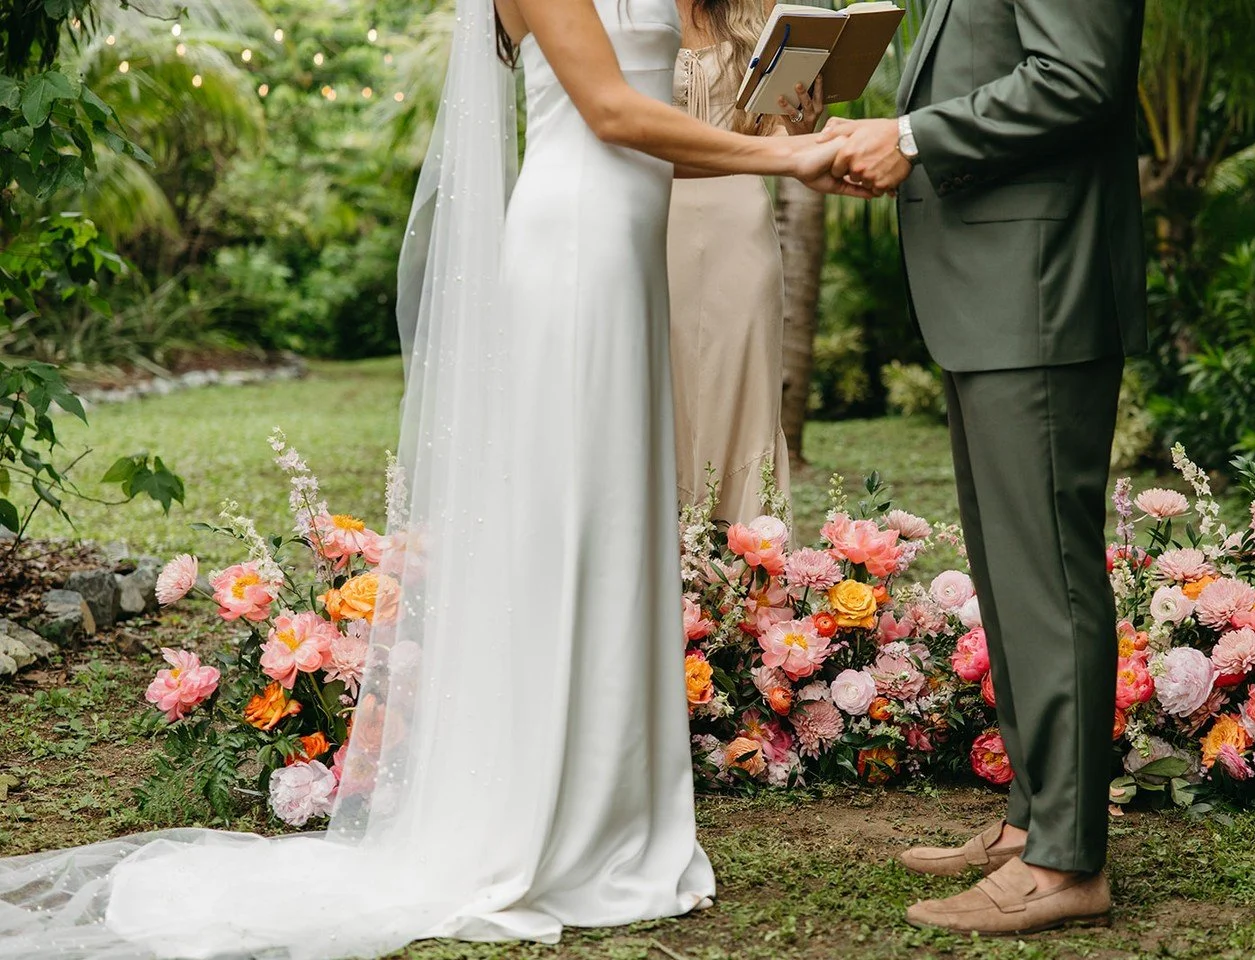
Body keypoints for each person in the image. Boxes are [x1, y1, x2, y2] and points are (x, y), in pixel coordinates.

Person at [0, 3, 866, 957]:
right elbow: (613, 115)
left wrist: (782, 134)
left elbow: (665, 130)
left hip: (628, 247)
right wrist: (787, 161)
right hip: (574, 250)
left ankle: (614, 817)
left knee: (617, 524)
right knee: (569, 522)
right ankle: (542, 816)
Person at [816, 0, 1149, 936]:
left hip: (1041, 286)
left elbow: (1078, 76)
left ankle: (1064, 867)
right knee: (1012, 572)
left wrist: (913, 136)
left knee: (1046, 573)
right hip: (997, 289)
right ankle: (1033, 823)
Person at [667, 0, 824, 521]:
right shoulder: (624, 14)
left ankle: (748, 585)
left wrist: (801, 128)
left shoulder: (753, 11)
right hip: (648, 225)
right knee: (660, 393)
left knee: (744, 399)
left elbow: (771, 135)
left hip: (740, 229)